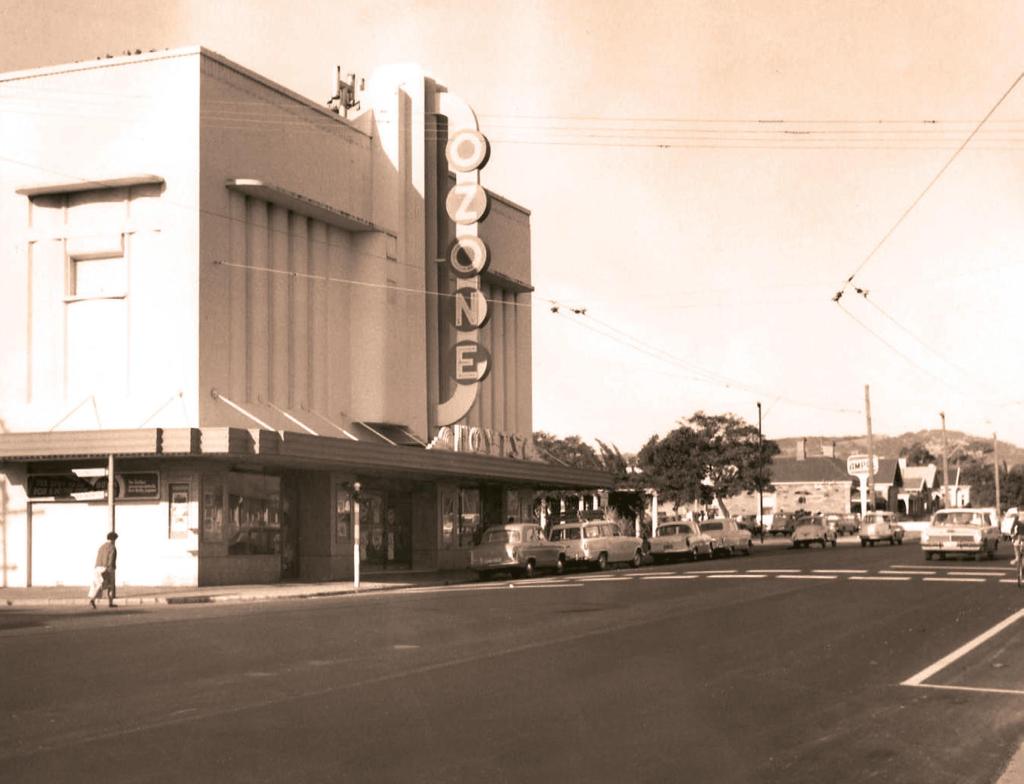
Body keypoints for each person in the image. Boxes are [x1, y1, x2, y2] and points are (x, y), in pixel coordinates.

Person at [87, 531, 118, 609]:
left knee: (97, 585)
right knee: (110, 585)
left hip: (97, 567)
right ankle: (110, 603)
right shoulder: (112, 547)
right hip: (106, 568)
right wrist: (110, 570)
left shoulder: (101, 547)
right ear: (114, 539)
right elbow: (111, 560)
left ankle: (92, 599)